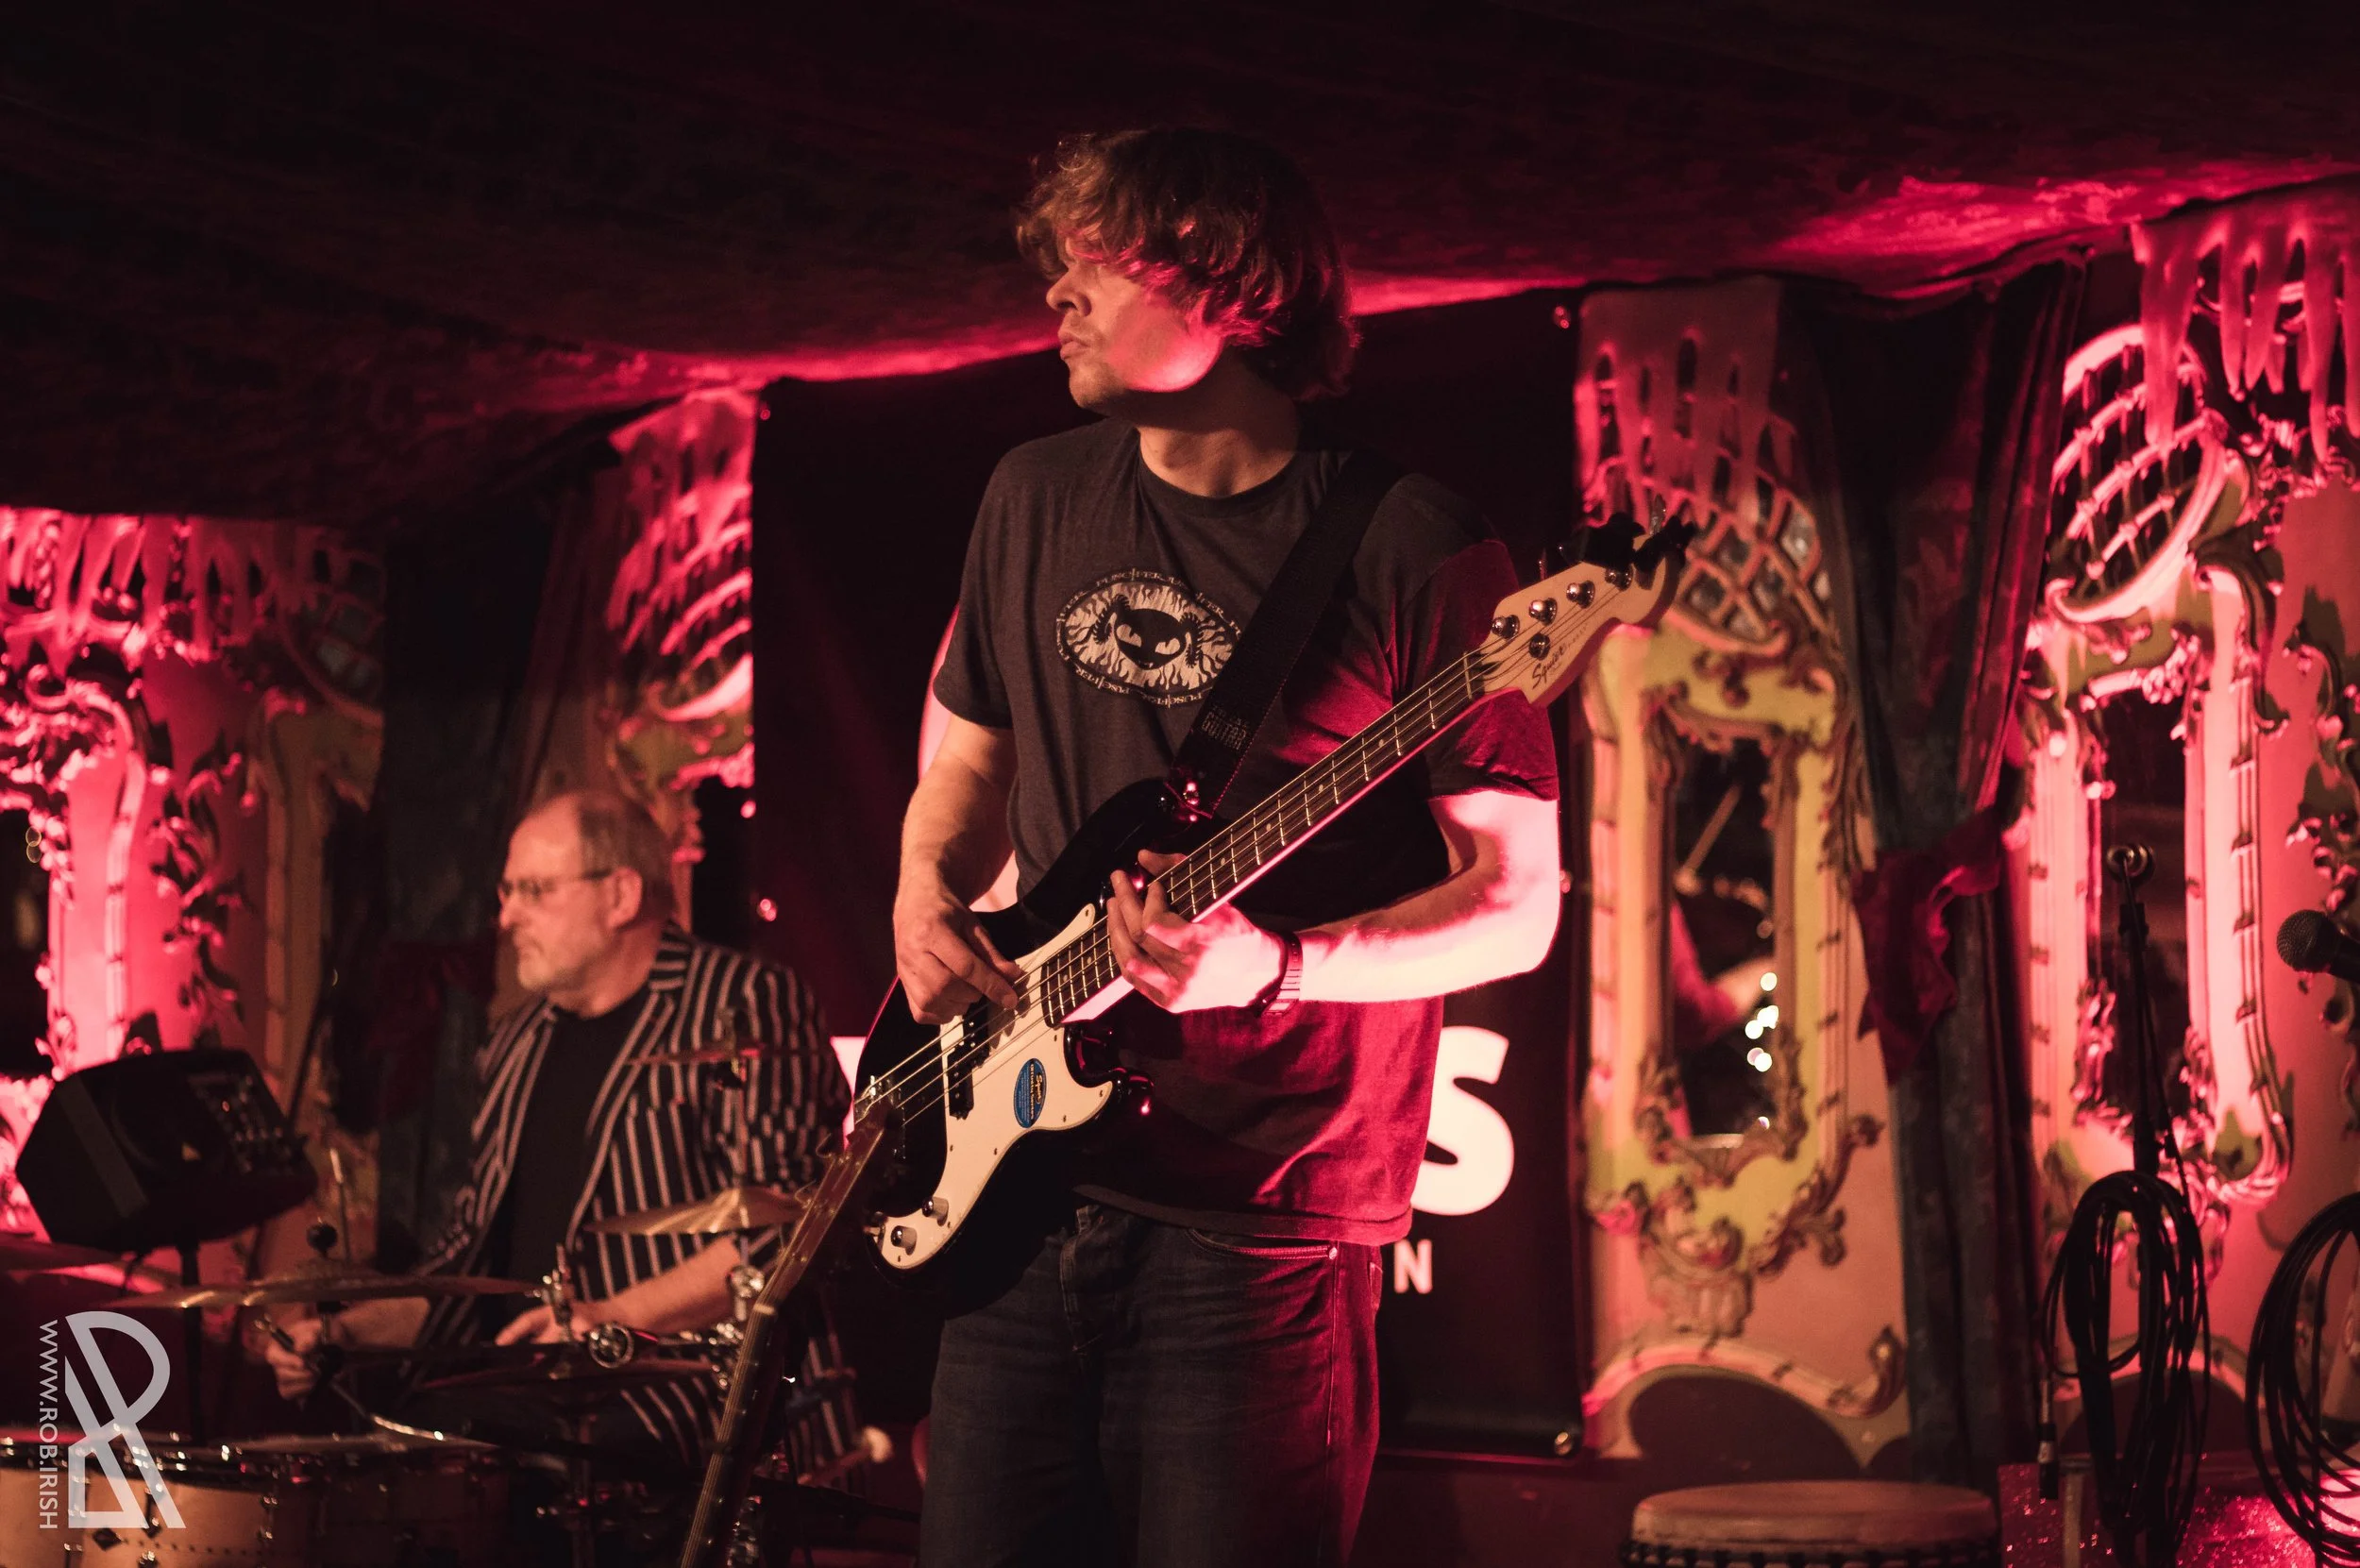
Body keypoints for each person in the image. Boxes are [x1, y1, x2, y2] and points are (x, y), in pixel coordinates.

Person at [896, 127, 1563, 1566]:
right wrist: (919, 890)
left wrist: (1280, 966)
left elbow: (1519, 907)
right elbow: (966, 757)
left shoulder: (1412, 542)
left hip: (1259, 1228)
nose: (1056, 295)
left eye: (1097, 262)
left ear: (1228, 283)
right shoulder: (1031, 492)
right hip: (1016, 1194)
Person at [263, 788, 853, 1472]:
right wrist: (343, 1332)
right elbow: (468, 1269)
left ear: (621, 895)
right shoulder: (514, 1042)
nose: (506, 916)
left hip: (692, 1391)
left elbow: (786, 1228)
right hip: (529, 1395)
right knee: (380, 1459)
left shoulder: (741, 1003)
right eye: (506, 891)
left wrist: (607, 1318)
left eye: (534, 890)